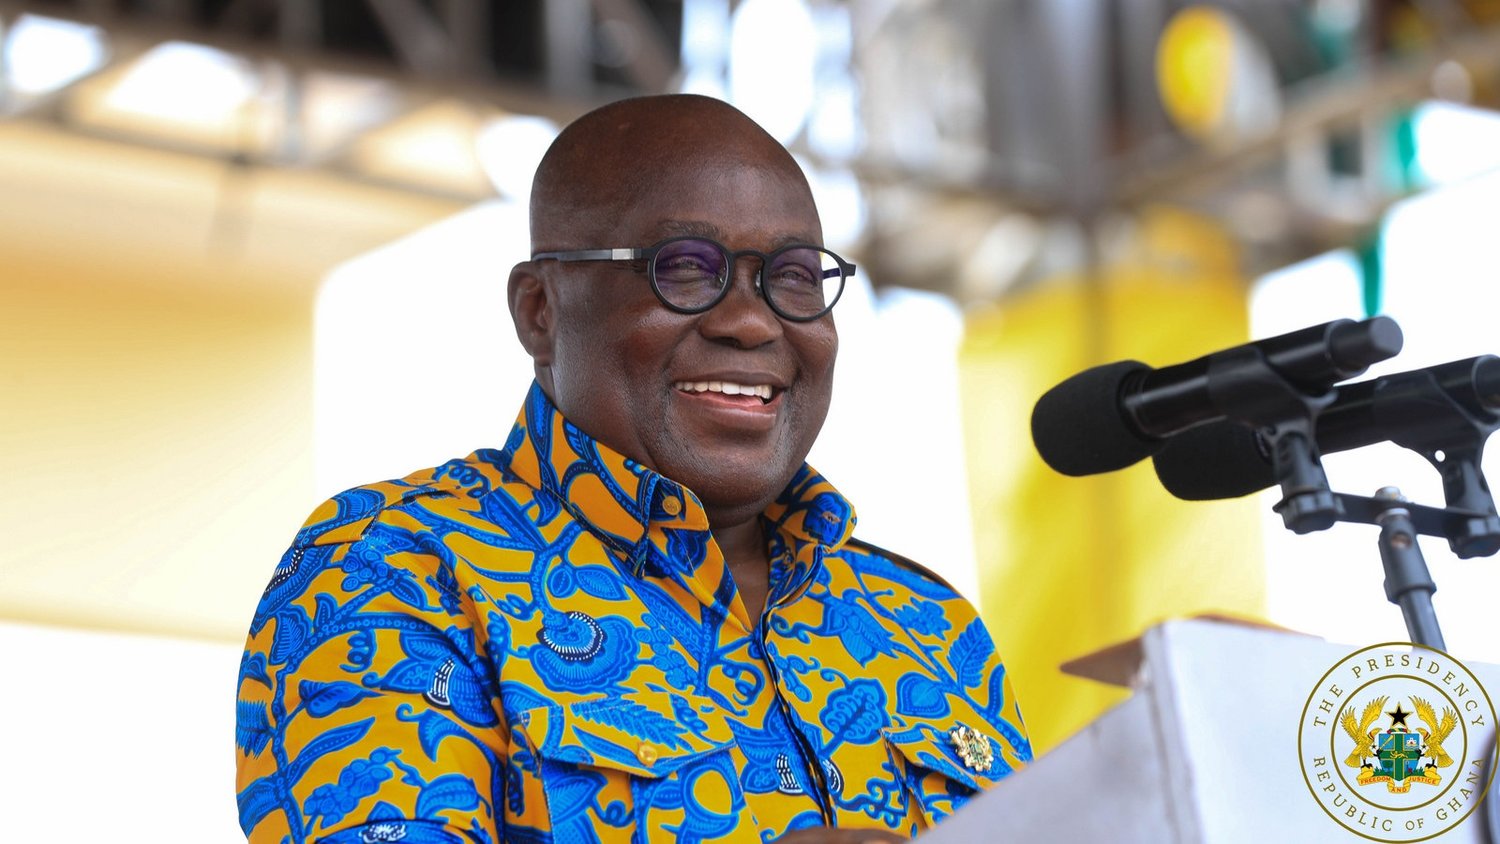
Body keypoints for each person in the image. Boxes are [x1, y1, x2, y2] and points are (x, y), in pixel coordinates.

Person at [235, 93, 1030, 844]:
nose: (751, 321)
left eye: (793, 276)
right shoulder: (398, 567)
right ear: (540, 311)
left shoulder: (928, 624)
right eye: (684, 267)